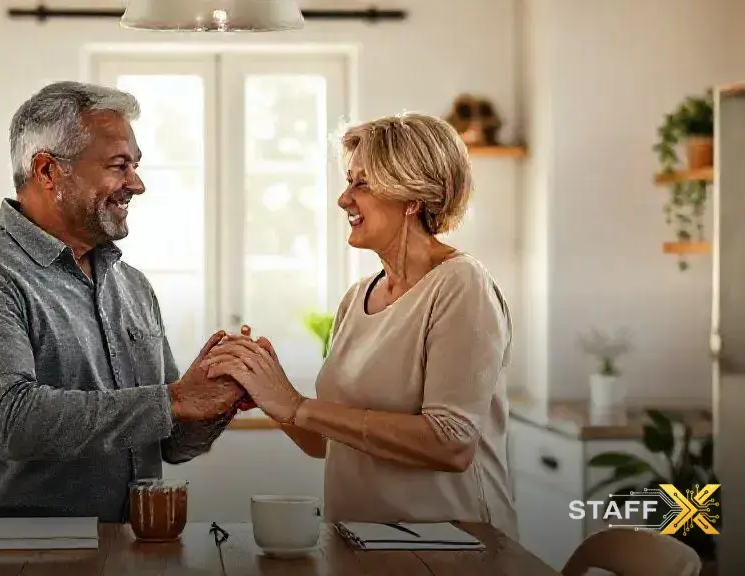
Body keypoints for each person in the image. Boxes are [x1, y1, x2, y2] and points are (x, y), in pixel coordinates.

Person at [0, 81, 245, 523]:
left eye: (135, 165)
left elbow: (172, 444)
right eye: (119, 165)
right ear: (47, 171)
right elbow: (11, 423)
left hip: (130, 548)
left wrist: (215, 400)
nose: (137, 184)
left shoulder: (132, 285)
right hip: (11, 556)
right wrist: (172, 399)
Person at [201, 112, 519, 539]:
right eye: (349, 181)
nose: (344, 199)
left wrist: (297, 405)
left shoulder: (462, 284)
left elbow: (451, 442)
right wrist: (267, 393)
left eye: (362, 184)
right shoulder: (358, 297)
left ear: (413, 197)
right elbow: (327, 444)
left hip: (453, 549)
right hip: (362, 545)